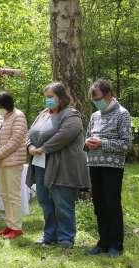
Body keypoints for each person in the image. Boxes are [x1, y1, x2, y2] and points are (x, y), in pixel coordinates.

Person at [25, 82, 89, 248]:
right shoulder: (43, 114)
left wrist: (43, 149)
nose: (47, 101)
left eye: (50, 97)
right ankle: (49, 236)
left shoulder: (71, 115)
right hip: (40, 164)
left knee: (62, 202)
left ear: (60, 98)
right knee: (45, 200)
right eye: (46, 97)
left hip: (62, 167)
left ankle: (66, 238)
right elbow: (29, 134)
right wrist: (30, 146)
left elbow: (65, 135)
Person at [85, 79, 133, 257]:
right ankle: (103, 242)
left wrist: (102, 143)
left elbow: (126, 144)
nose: (95, 101)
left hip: (112, 166)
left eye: (97, 97)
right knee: (98, 203)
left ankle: (116, 244)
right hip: (94, 164)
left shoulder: (123, 114)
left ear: (108, 95)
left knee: (112, 204)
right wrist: (87, 142)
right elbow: (88, 136)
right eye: (92, 98)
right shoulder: (94, 116)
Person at [0, 92, 28, 239]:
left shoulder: (19, 116)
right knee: (4, 194)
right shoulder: (0, 117)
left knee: (13, 195)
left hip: (13, 161)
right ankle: (9, 225)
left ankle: (17, 227)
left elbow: (16, 140)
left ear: (8, 105)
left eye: (1, 106)